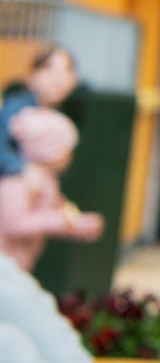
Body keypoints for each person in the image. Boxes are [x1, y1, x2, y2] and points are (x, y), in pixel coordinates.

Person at [0, 109, 102, 272]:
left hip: (19, 265)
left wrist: (77, 225)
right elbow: (13, 224)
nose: (70, 157)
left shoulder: (46, 179)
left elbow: (50, 210)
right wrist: (61, 220)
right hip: (5, 264)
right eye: (66, 150)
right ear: (48, 151)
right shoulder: (19, 181)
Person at [0, 46, 79, 179]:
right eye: (50, 70)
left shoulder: (57, 115)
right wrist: (23, 167)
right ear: (31, 76)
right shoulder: (17, 106)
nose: (57, 79)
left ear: (73, 81)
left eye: (65, 72)